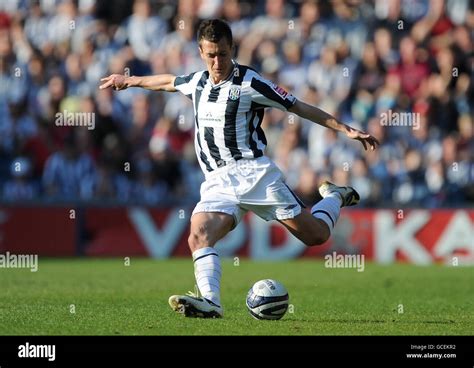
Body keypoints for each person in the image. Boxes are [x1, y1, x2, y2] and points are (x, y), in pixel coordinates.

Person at [100, 19, 379, 318]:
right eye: (210, 54)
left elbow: (298, 106)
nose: (217, 61)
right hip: (218, 181)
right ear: (200, 51)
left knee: (316, 236)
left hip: (255, 175)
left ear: (232, 48)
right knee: (199, 236)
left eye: (222, 53)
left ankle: (334, 196)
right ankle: (211, 301)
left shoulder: (250, 82)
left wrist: (345, 129)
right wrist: (129, 80)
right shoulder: (197, 82)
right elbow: (168, 81)